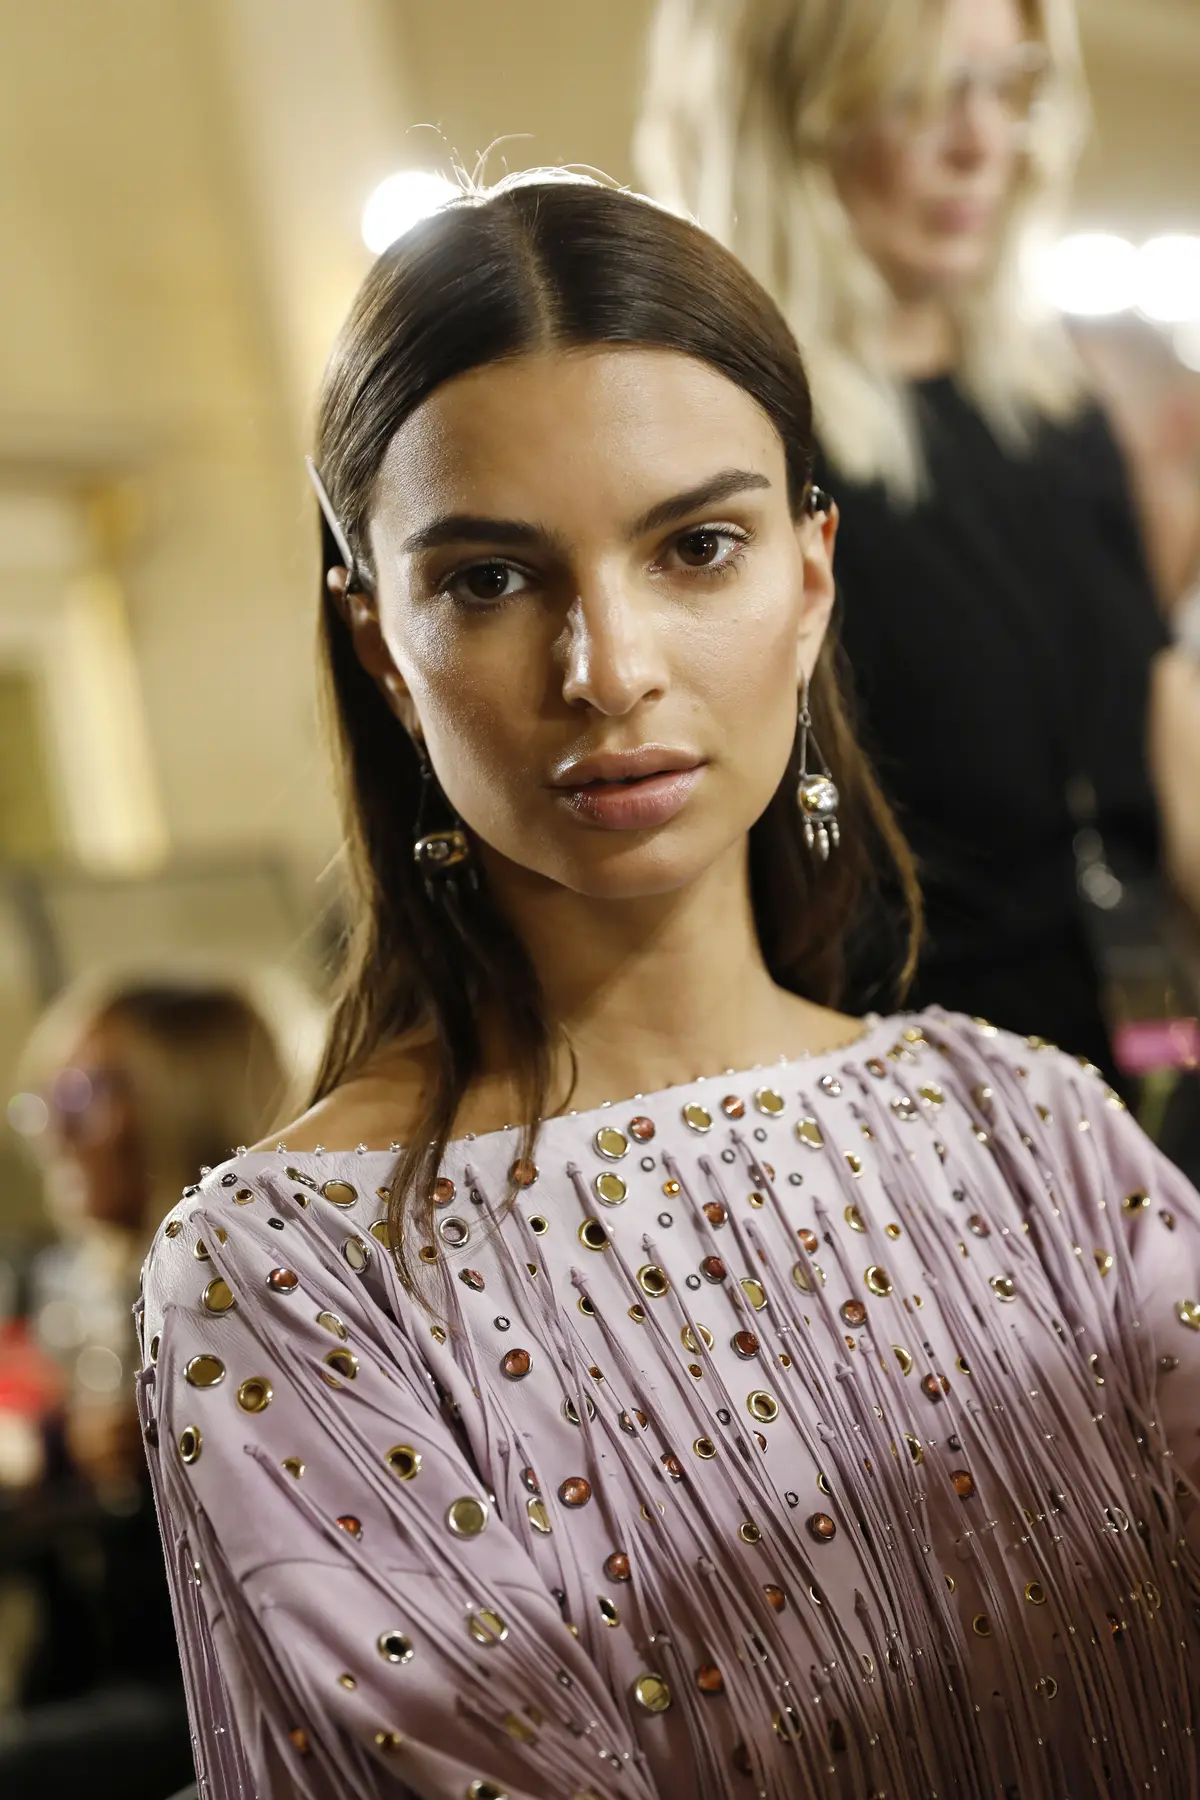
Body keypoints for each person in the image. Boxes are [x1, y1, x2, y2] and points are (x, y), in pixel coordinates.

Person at [140, 177, 1200, 1800]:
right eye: (493, 580)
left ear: (810, 582)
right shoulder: (287, 1280)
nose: (609, 667)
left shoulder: (1039, 1139)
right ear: (381, 649)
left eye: (695, 547)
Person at [636, 0, 1200, 1092]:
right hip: (891, 1129)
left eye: (1009, 85)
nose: (982, 142)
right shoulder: (727, 459)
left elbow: (1150, 778)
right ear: (783, 121)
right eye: (918, 92)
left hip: (1127, 1088)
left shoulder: (1060, 416)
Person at [1, 973, 297, 1800]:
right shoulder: (105, 1294)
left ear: (181, 1098)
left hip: (242, 1707)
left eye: (83, 1093)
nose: (52, 1127)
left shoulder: (264, 1299)